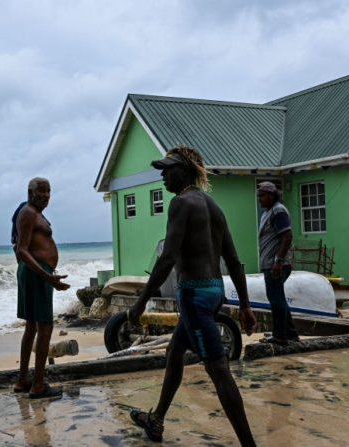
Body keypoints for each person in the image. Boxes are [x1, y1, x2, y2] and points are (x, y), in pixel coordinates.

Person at [127, 146, 257, 446]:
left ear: (184, 171)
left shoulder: (181, 203)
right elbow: (234, 261)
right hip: (214, 292)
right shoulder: (213, 206)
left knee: (219, 370)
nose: (162, 175)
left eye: (167, 169)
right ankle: (157, 420)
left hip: (194, 295)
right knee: (174, 353)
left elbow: (168, 257)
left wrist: (142, 299)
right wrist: (246, 306)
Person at [12, 177, 70, 399]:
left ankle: (23, 380)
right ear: (30, 193)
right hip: (37, 274)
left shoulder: (35, 214)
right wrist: (47, 276)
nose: (46, 195)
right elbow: (22, 250)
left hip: (35, 273)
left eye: (49, 191)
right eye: (42, 191)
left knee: (32, 327)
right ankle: (37, 385)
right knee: (44, 327)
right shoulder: (27, 213)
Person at [256, 181, 299, 345]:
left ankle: (280, 335)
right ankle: (291, 333)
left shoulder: (278, 211)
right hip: (270, 263)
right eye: (258, 196)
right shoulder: (268, 212)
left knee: (276, 299)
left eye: (262, 196)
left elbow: (287, 236)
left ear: (272, 195)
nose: (260, 199)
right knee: (277, 297)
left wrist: (279, 262)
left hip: (276, 264)